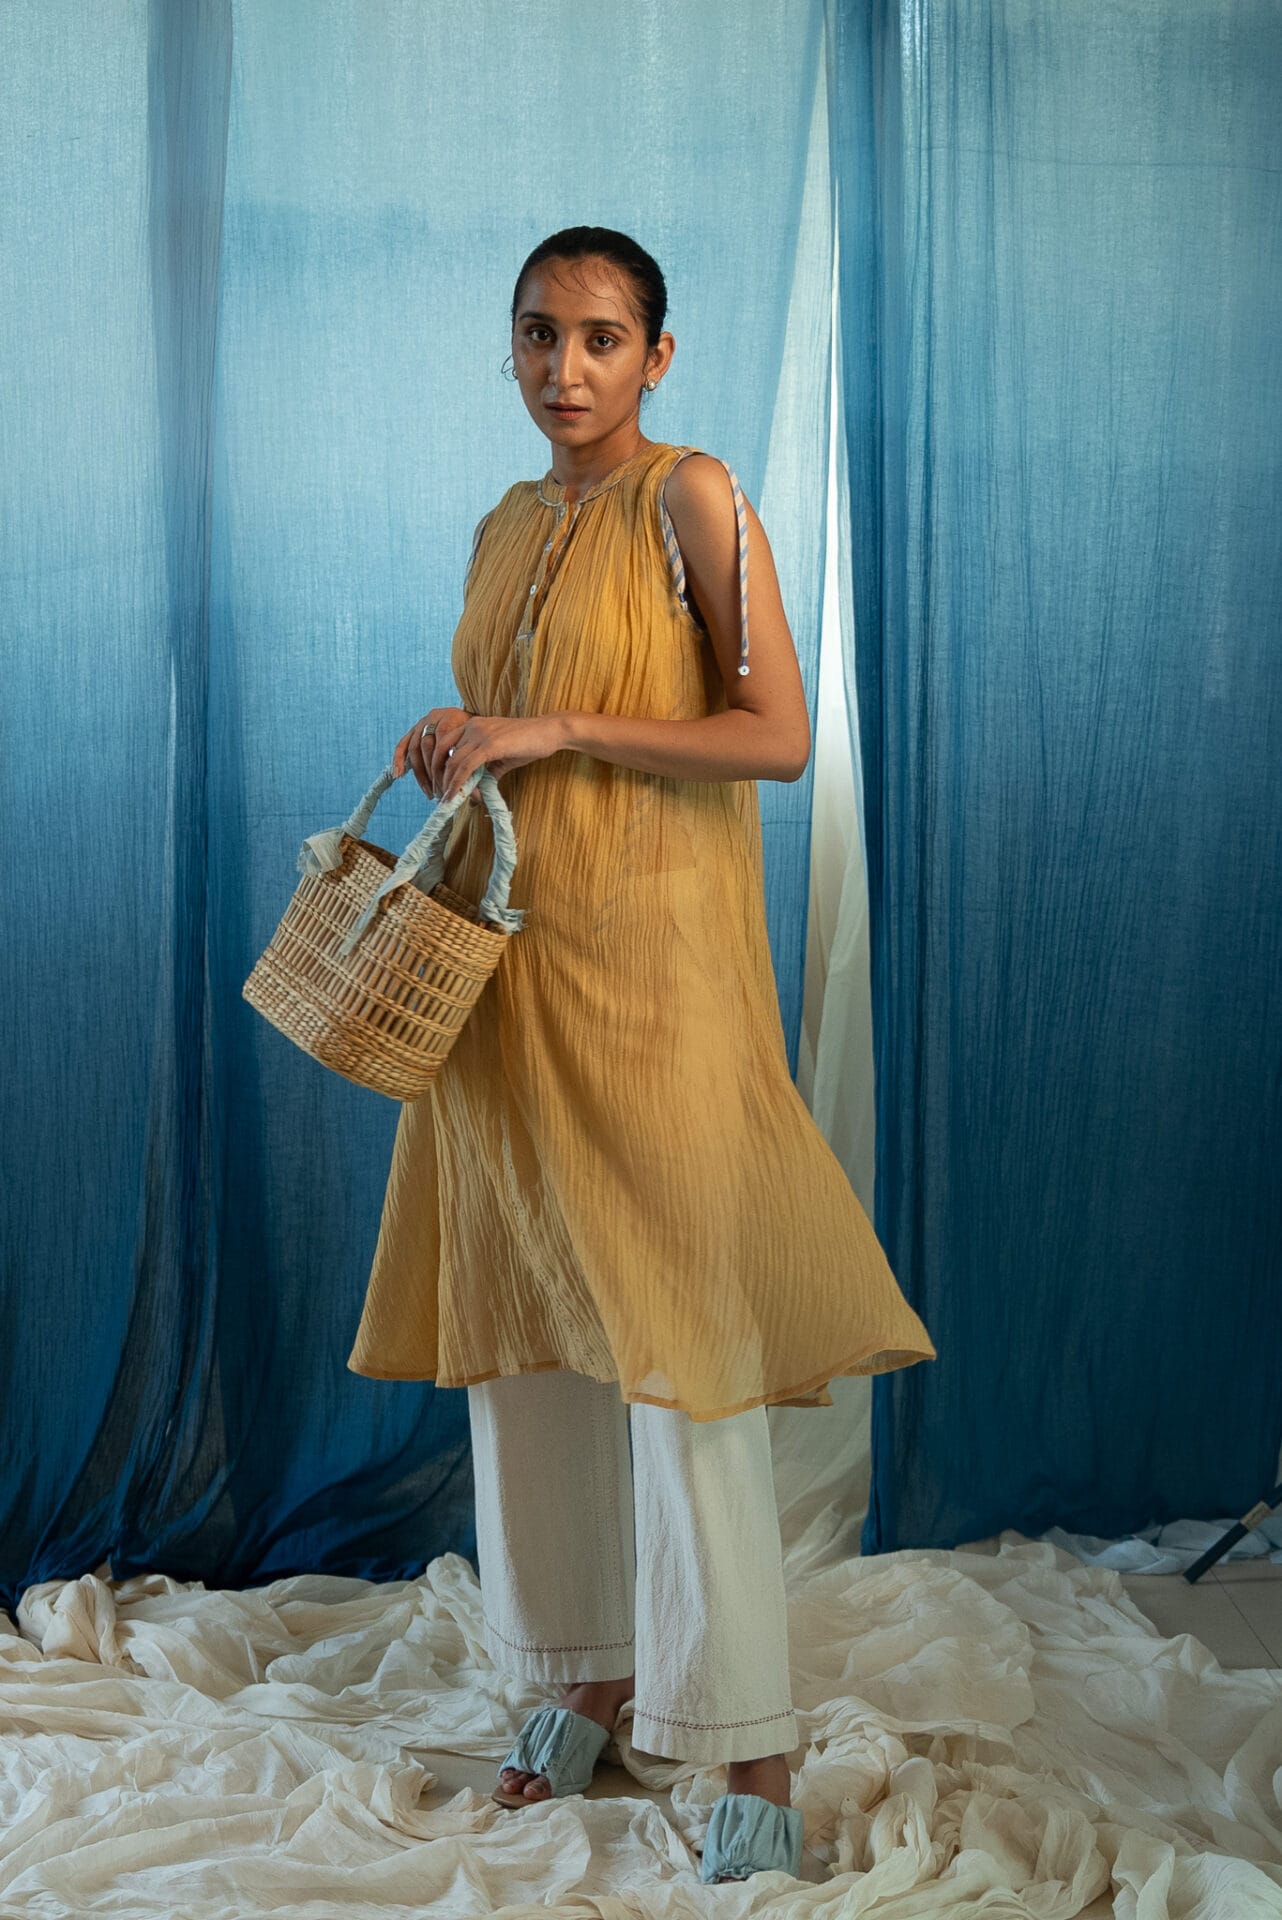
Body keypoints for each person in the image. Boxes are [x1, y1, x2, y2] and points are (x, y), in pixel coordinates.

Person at [347, 225, 937, 1885]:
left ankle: (747, 1733)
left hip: (654, 975)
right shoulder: (504, 523)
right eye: (539, 334)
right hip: (506, 969)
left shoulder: (695, 496)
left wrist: (555, 726)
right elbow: (515, 717)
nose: (566, 368)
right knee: (527, 1328)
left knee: (680, 1344)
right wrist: (463, 735)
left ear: (656, 356)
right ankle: (581, 1676)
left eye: (601, 337)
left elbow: (776, 737)